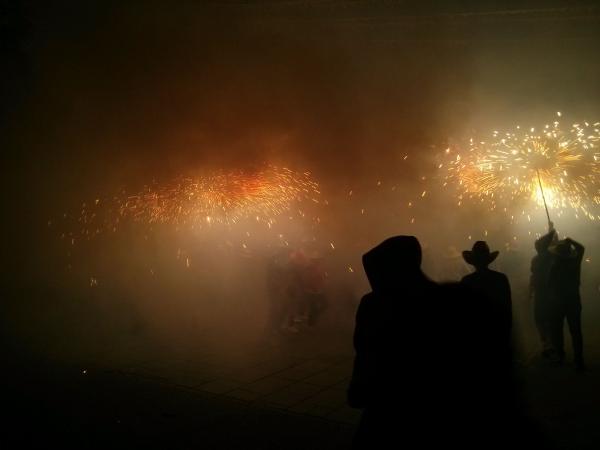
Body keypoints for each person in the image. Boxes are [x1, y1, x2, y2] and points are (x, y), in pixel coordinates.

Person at [348, 236, 516, 448]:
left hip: (390, 408)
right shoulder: (454, 296)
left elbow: (366, 354)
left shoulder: (374, 305)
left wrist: (360, 388)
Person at [461, 241, 512, 345]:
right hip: (497, 329)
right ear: (488, 260)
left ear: (473, 261)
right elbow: (507, 307)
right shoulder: (501, 279)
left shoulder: (467, 281)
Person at [548, 237, 586, 371]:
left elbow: (550, 284)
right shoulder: (574, 263)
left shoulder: (555, 266)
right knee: (576, 331)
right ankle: (578, 359)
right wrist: (570, 240)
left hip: (559, 301)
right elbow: (581, 248)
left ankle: (560, 356)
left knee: (557, 330)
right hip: (573, 300)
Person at [530, 223, 558, 358]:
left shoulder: (536, 259)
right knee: (547, 319)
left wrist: (551, 231)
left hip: (543, 293)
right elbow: (555, 245)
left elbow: (533, 277)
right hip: (549, 293)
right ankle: (549, 344)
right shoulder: (552, 257)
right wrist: (552, 230)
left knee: (541, 319)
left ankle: (547, 344)